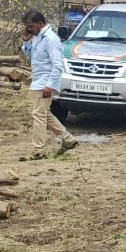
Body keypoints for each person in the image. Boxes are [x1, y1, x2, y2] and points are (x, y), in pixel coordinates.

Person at [20, 9, 78, 161]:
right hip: (37, 80)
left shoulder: (51, 39)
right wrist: (26, 41)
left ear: (40, 23)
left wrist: (49, 86)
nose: (29, 29)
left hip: (44, 83)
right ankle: (68, 139)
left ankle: (39, 149)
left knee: (38, 115)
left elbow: (57, 65)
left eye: (31, 26)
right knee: (44, 114)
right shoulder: (37, 37)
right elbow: (31, 55)